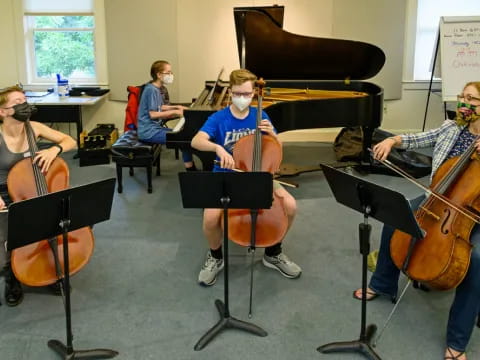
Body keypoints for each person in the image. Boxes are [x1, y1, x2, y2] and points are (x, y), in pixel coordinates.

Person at [353, 82, 480, 360]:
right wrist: (391, 140)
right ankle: (383, 283)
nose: (464, 102)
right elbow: (418, 139)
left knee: (477, 261)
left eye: (472, 99)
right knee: (395, 216)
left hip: (472, 215)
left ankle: (457, 340)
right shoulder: (451, 127)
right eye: (462, 96)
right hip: (438, 200)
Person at [191, 69, 301, 286]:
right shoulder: (219, 118)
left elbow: (277, 148)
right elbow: (196, 141)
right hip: (227, 176)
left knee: (290, 205)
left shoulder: (261, 116)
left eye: (247, 94)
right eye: (238, 93)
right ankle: (215, 257)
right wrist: (218, 149)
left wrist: (273, 135)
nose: (243, 98)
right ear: (230, 92)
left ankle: (273, 252)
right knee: (210, 218)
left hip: (260, 173)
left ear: (254, 94)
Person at [0, 85, 77, 306]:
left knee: (52, 226)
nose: (24, 105)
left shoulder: (34, 127)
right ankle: (12, 278)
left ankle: (53, 271)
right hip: (5, 195)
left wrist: (55, 150)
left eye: (24, 100)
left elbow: (69, 141)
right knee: (7, 240)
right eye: (17, 103)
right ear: (3, 112)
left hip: (35, 188)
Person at [137, 60, 196, 170]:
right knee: (184, 139)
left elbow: (160, 107)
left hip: (154, 128)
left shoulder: (156, 88)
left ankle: (191, 168)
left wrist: (178, 106)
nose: (171, 75)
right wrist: (175, 112)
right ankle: (191, 170)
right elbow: (153, 114)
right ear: (159, 75)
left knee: (184, 138)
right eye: (168, 72)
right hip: (148, 131)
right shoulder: (151, 90)